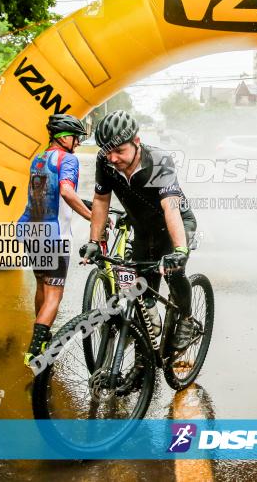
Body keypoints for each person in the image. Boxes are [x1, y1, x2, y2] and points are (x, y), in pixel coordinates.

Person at [81, 110, 199, 352]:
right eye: (107, 151)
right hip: (143, 230)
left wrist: (179, 249)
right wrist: (94, 241)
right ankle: (144, 357)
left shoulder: (158, 160)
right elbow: (101, 200)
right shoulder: (105, 160)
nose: (112, 158)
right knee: (142, 292)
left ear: (136, 142)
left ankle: (186, 318)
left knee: (174, 273)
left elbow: (171, 206)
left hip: (175, 224)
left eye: (119, 151)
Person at [19, 114, 92, 367]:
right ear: (64, 138)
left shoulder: (38, 159)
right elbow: (65, 191)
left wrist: (82, 204)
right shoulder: (68, 159)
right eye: (76, 138)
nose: (78, 143)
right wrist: (93, 217)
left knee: (41, 284)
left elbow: (48, 192)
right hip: (54, 235)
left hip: (30, 229)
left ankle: (41, 333)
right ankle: (34, 350)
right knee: (54, 295)